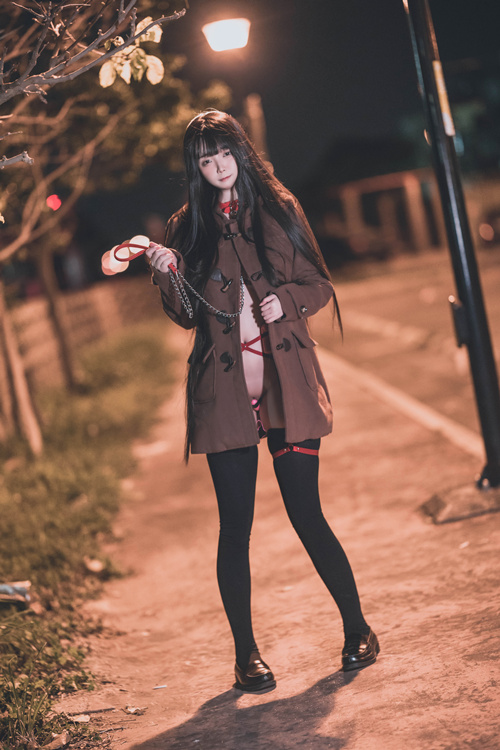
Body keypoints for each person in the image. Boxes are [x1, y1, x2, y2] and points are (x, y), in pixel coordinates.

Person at [146, 110, 379, 693]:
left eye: (225, 153)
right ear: (196, 168)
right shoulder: (187, 225)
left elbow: (320, 285)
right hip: (223, 395)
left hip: (287, 389)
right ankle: (245, 656)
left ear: (241, 152)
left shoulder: (279, 207)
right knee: (235, 528)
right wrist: (167, 272)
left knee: (307, 513)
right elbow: (186, 315)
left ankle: (359, 629)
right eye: (206, 160)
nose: (219, 166)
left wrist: (287, 301)